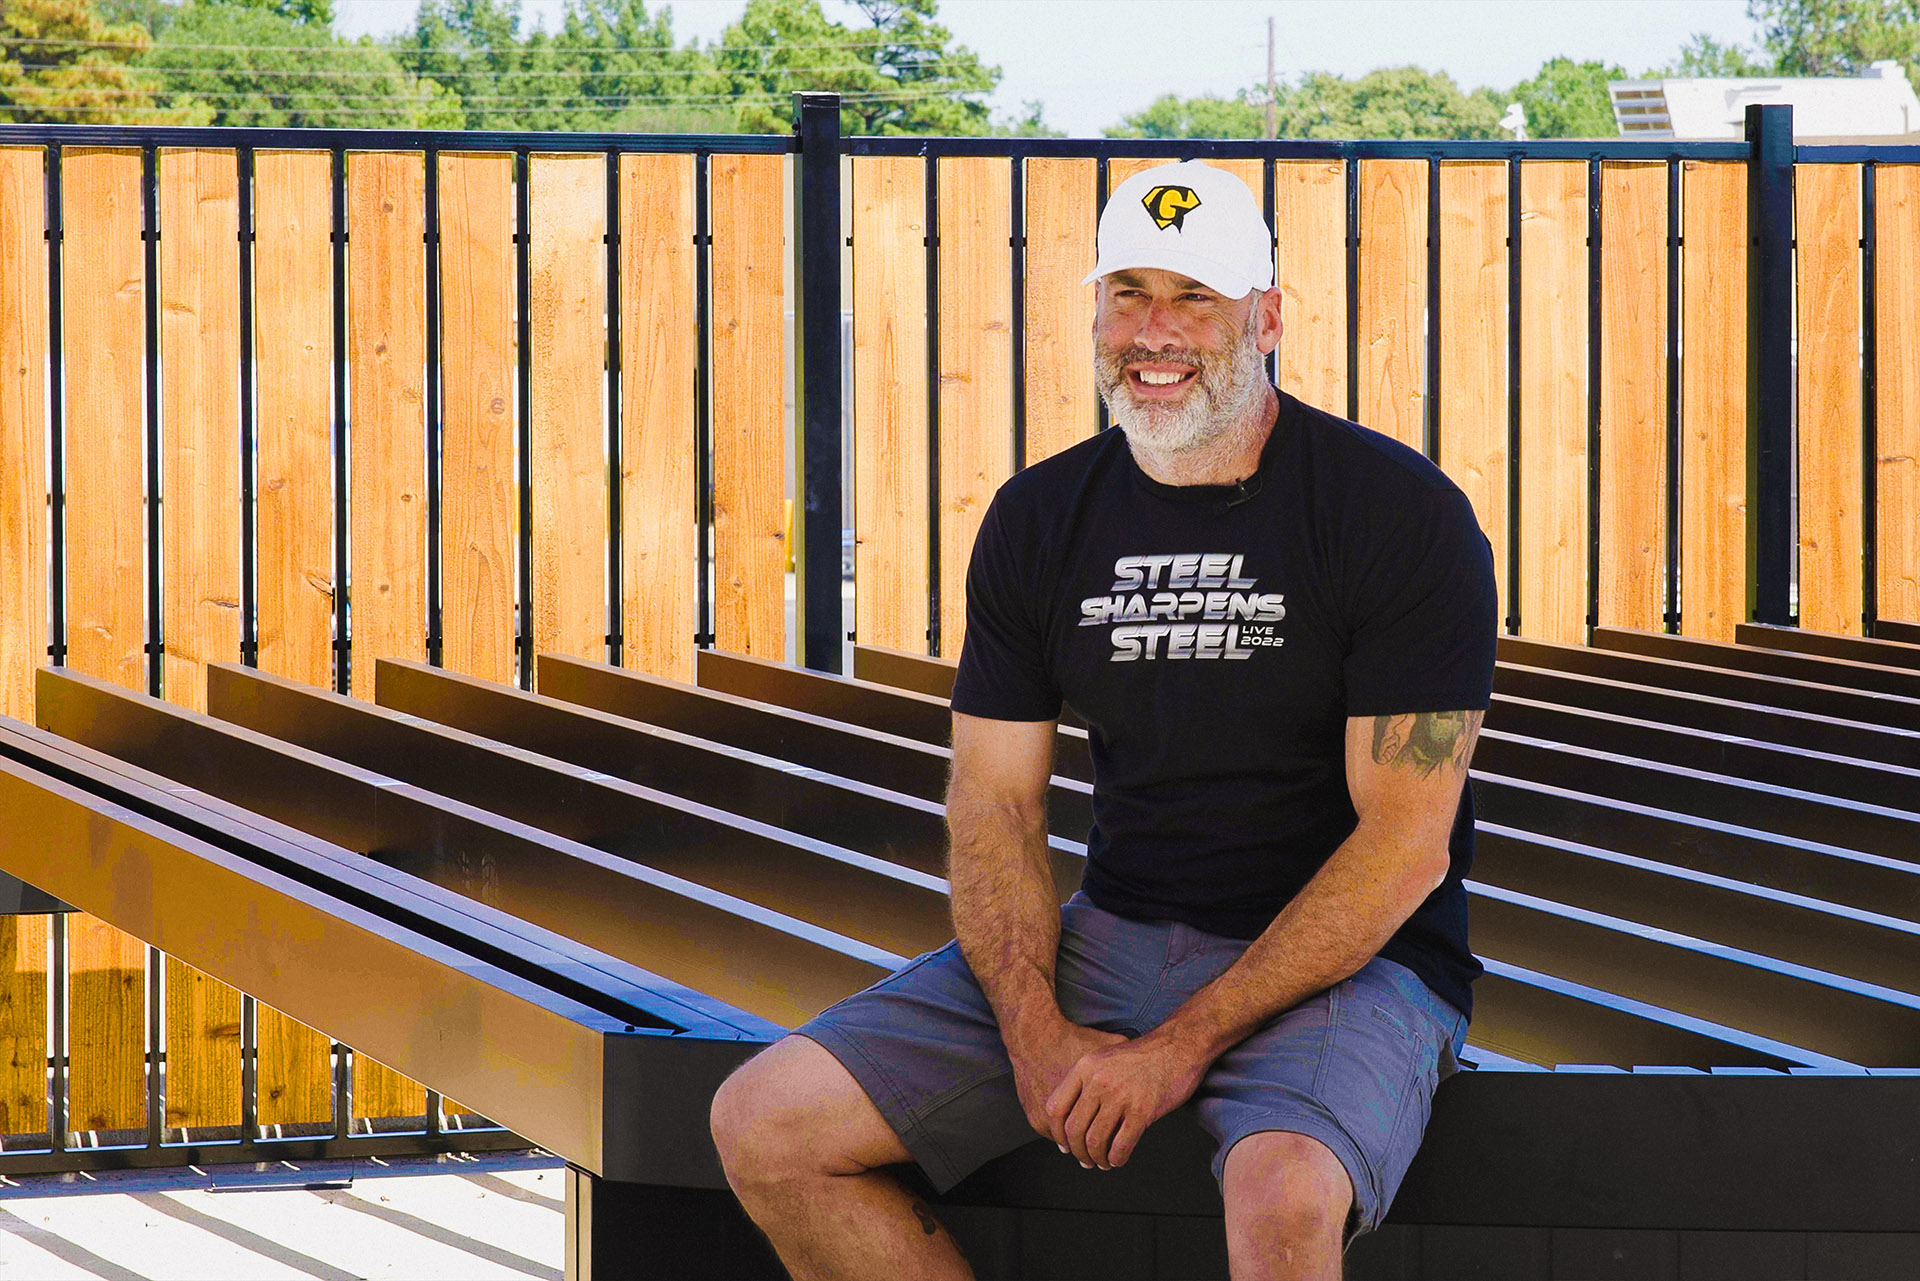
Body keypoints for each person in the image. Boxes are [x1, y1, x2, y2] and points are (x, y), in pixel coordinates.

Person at [711, 159, 1498, 1281]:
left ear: (1267, 318)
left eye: (1195, 298)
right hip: (1117, 933)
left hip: (1354, 966)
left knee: (1284, 1196)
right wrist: (1035, 1032)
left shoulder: (1395, 514)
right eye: (1128, 292)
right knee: (767, 1124)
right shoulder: (1043, 518)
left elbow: (1405, 844)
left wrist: (1178, 1050)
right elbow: (992, 800)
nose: (1155, 330)